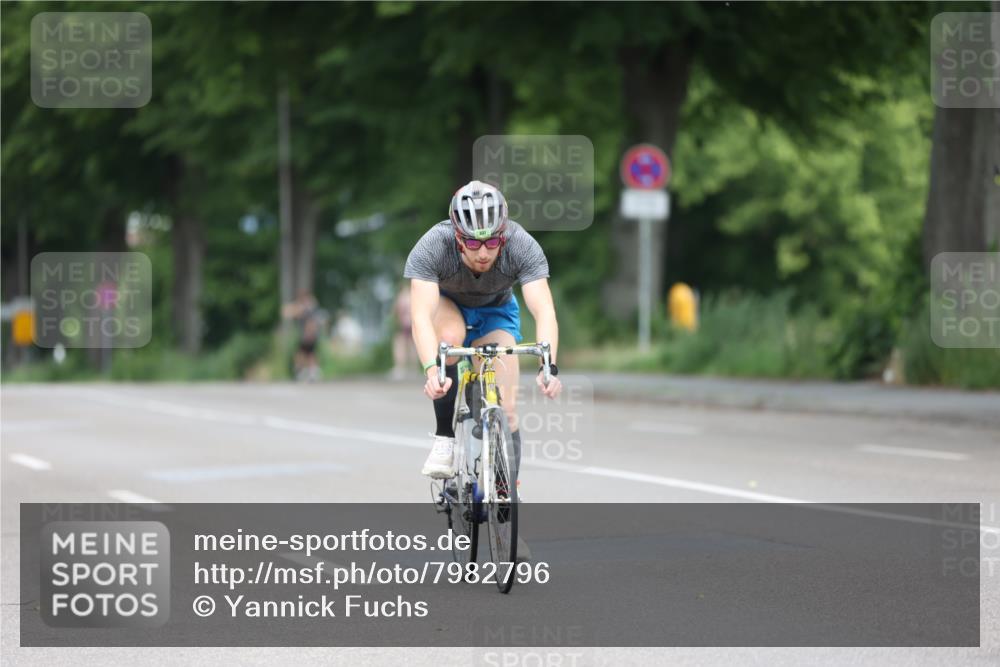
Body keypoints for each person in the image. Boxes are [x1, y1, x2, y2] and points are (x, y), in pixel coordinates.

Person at [403, 180, 563, 484]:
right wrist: (431, 371)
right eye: (473, 243)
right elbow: (421, 316)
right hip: (449, 306)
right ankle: (444, 437)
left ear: (503, 235)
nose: (483, 252)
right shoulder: (433, 245)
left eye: (491, 242)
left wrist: (548, 367)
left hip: (495, 311)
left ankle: (504, 501)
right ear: (457, 237)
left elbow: (544, 310)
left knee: (508, 409)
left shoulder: (521, 245)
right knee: (449, 338)